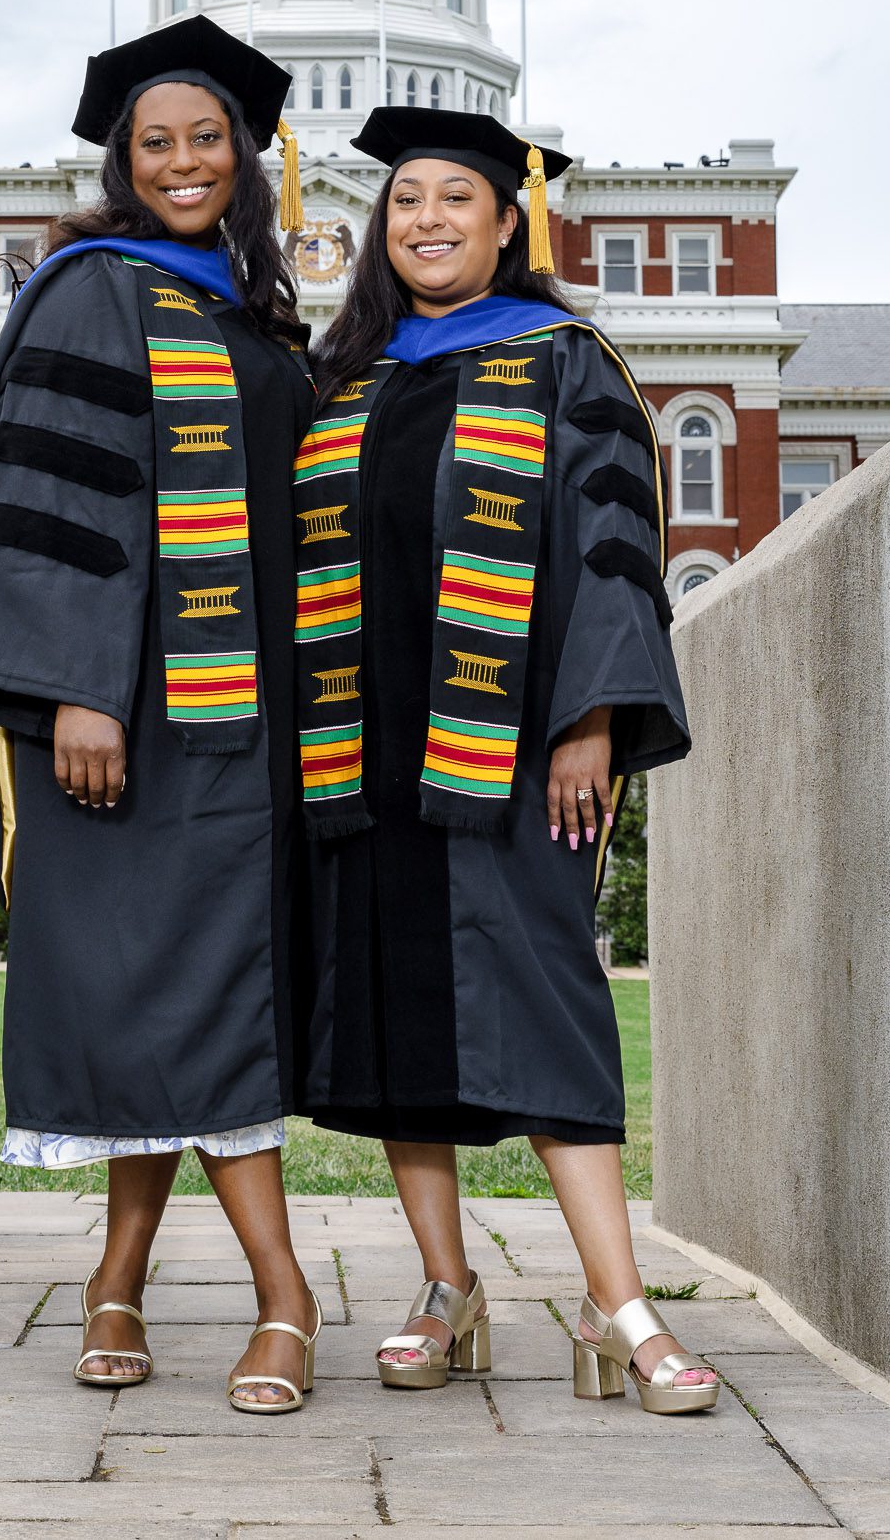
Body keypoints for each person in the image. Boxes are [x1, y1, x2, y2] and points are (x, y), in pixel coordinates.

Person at [0, 17, 322, 1414]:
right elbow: (60, 500)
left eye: (208, 138)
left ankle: (118, 1279)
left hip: (235, 725)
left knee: (189, 992)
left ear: (246, 156)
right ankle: (280, 1291)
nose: (186, 160)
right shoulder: (91, 290)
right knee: (160, 990)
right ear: (123, 160)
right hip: (115, 718)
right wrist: (82, 685)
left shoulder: (254, 309)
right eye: (159, 142)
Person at [294, 105, 718, 1415]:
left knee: (550, 1006)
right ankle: (445, 1284)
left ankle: (619, 1302)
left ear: (504, 218)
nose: (425, 218)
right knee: (398, 1020)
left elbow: (609, 540)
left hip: (516, 744)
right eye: (405, 199)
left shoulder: (562, 358)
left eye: (454, 200)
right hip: (364, 753)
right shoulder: (345, 379)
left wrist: (590, 715)